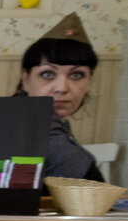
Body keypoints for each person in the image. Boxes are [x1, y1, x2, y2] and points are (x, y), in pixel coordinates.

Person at [13, 12, 105, 183]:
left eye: (76, 75)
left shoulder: (60, 127)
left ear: (89, 82)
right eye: (48, 74)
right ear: (26, 80)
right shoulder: (19, 127)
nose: (62, 88)